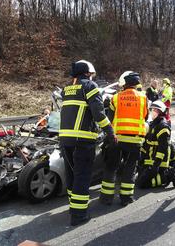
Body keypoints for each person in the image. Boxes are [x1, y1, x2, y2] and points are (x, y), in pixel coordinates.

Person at [59, 60, 116, 226]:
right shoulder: (90, 87)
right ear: (88, 73)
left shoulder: (66, 89)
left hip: (65, 140)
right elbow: (98, 114)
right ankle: (79, 215)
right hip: (82, 141)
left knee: (71, 174)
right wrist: (110, 132)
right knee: (82, 177)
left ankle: (73, 207)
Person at [99, 71, 148, 206]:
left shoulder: (115, 98)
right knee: (130, 168)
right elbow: (145, 117)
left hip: (117, 139)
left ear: (124, 84)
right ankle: (126, 198)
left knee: (111, 167)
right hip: (135, 140)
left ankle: (106, 198)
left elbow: (109, 118)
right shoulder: (144, 98)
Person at [136, 100, 175, 189]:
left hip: (159, 164)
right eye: (152, 110)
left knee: (142, 184)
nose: (152, 112)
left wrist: (156, 166)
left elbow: (162, 148)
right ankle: (161, 176)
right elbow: (146, 144)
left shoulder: (163, 127)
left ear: (160, 112)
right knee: (138, 181)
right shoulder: (152, 125)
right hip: (149, 161)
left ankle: (167, 176)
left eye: (155, 110)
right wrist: (140, 160)